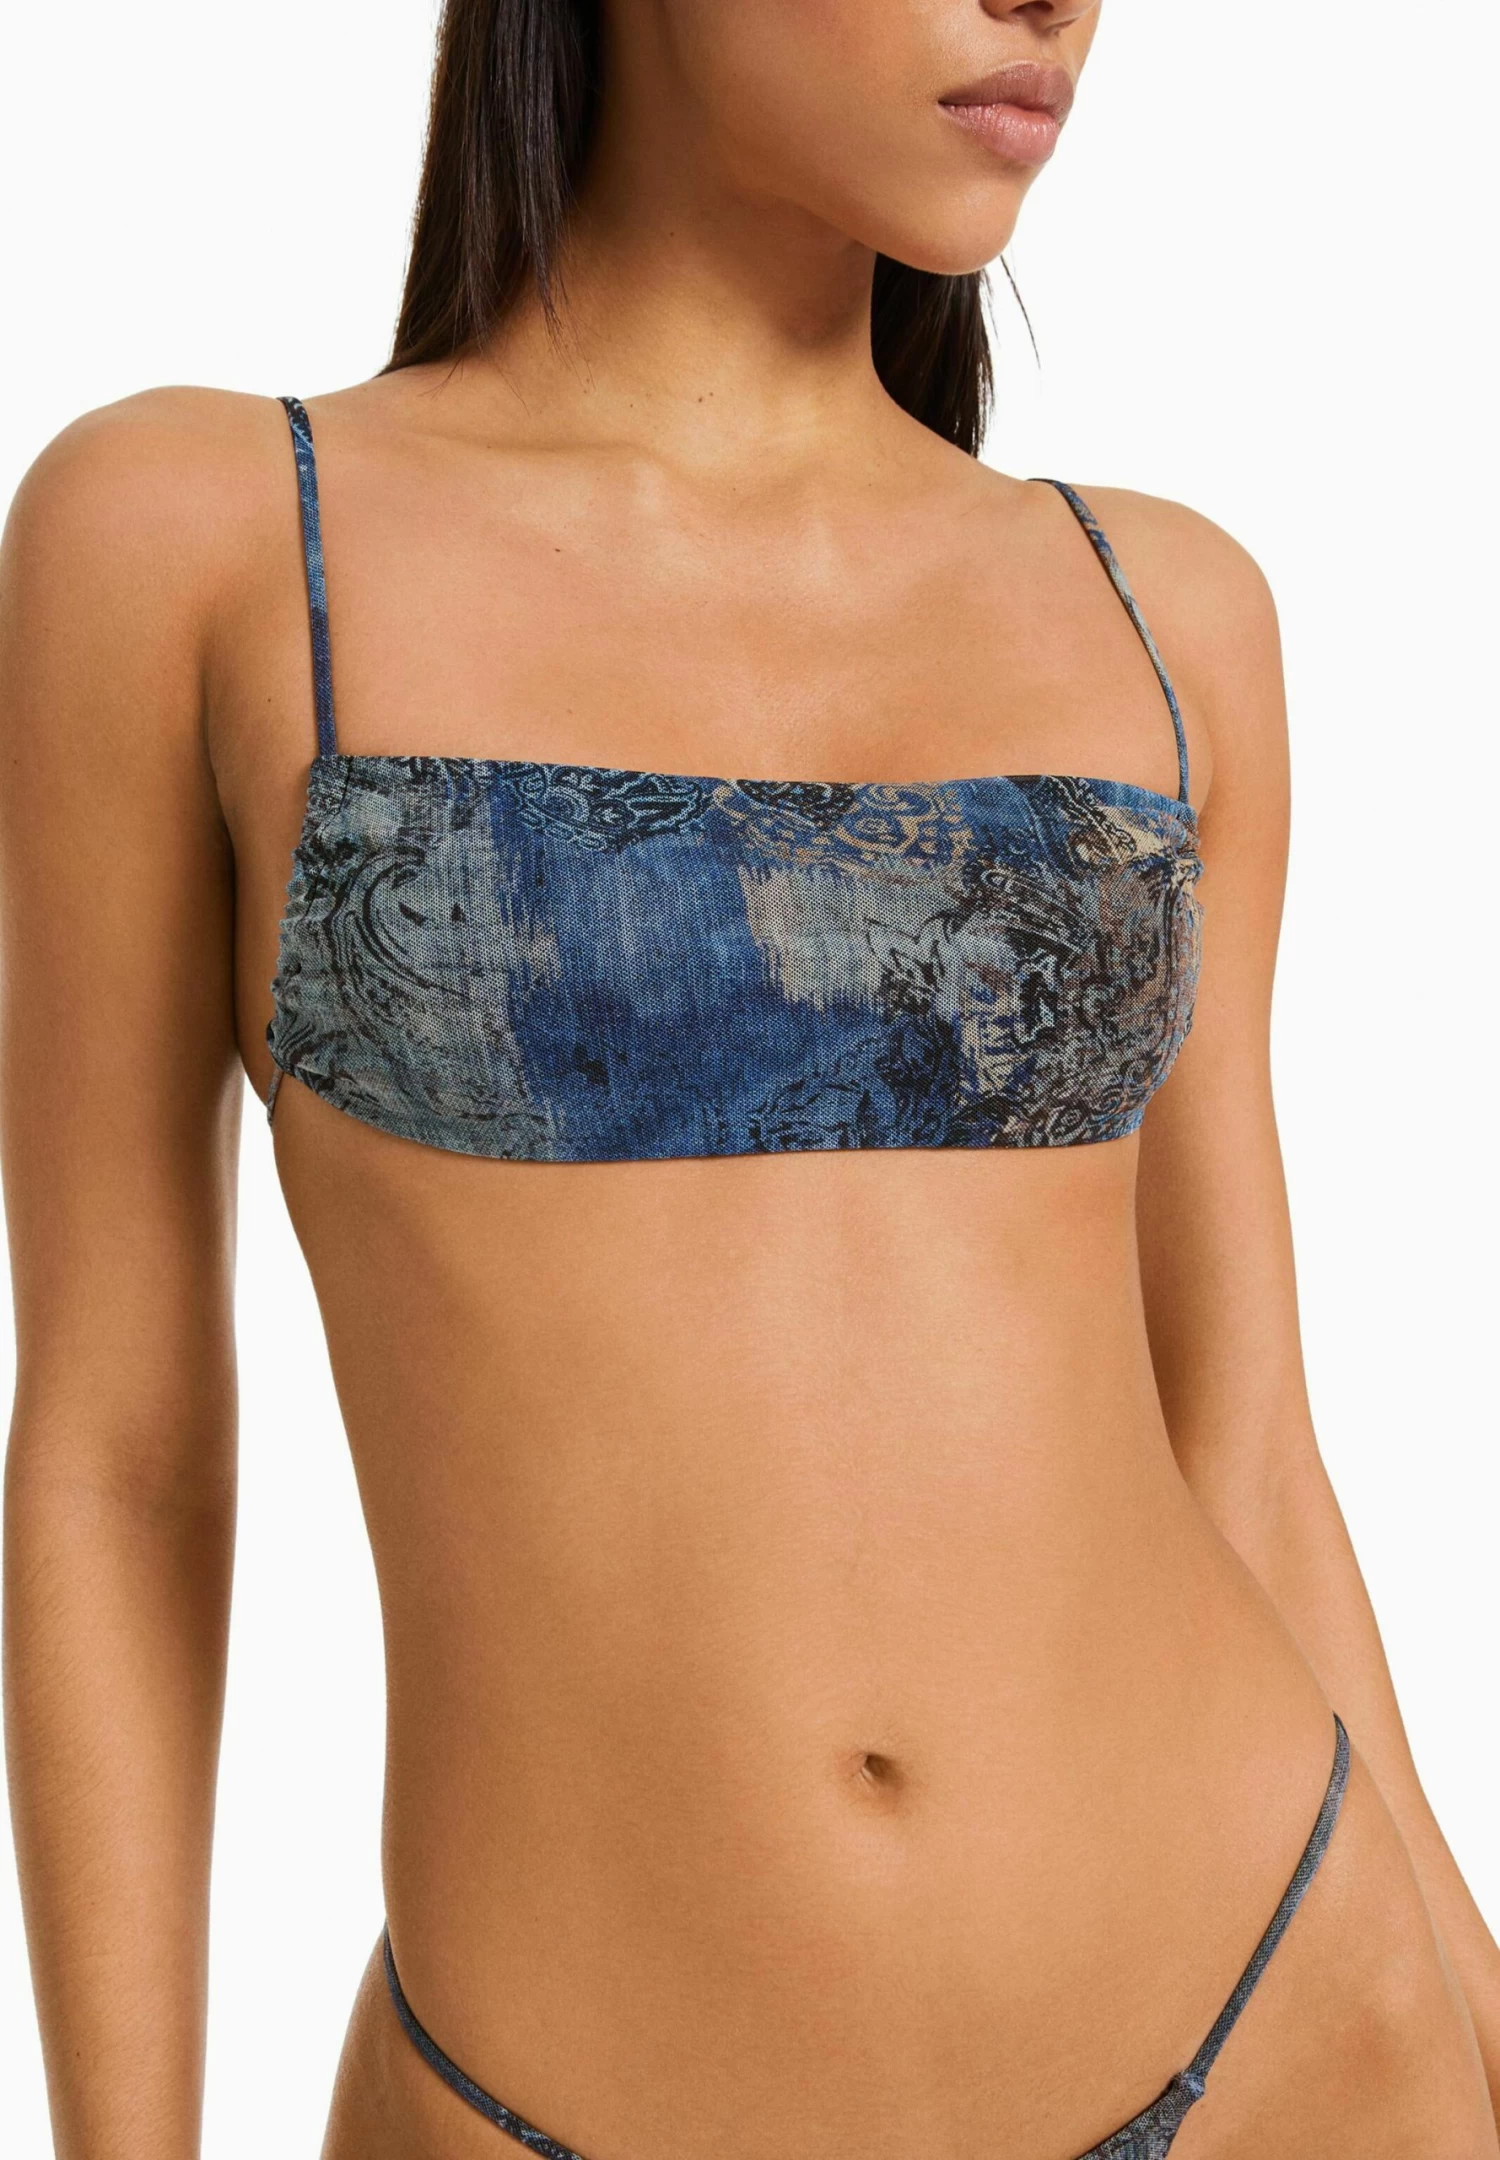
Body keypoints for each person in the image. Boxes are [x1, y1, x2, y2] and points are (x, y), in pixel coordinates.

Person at [3, 3, 1496, 2155]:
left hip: (1292, 2035)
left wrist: (1469, 1984)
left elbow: (1245, 1441)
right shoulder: (205, 538)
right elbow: (120, 1463)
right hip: (538, 2102)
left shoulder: (1166, 613)